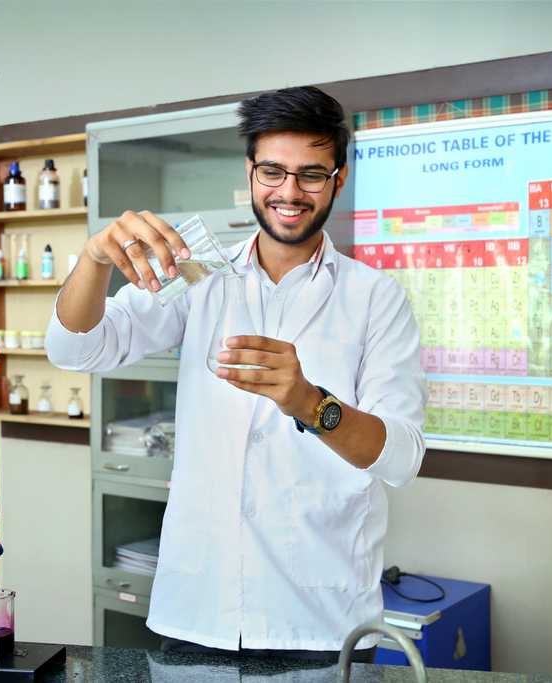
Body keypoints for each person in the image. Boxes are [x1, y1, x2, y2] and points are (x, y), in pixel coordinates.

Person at [46, 86, 427, 661]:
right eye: (272, 171)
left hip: (320, 618)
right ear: (250, 172)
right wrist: (95, 259)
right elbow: (77, 349)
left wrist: (309, 403)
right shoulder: (201, 273)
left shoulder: (376, 298)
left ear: (338, 180)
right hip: (199, 603)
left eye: (311, 175)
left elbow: (402, 457)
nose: (289, 193)